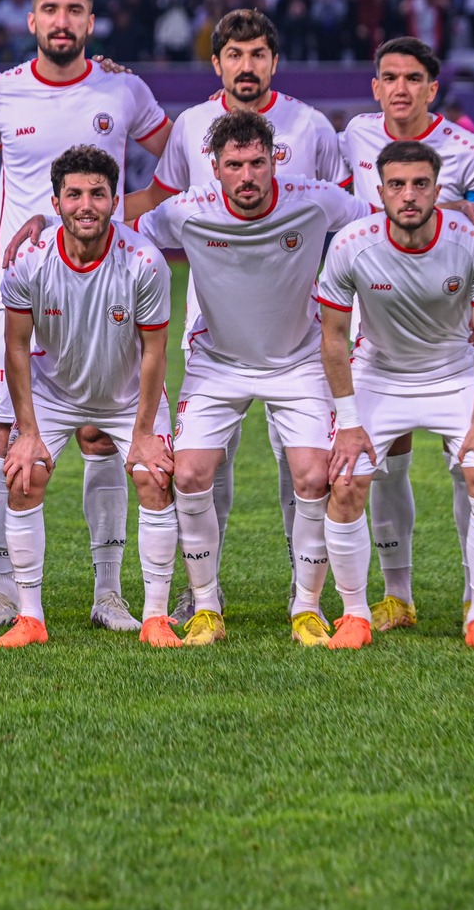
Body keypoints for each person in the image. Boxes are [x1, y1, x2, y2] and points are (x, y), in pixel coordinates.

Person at [0, 0, 172, 633]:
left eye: (74, 9)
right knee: (10, 440)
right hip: (20, 287)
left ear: (90, 21)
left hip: (106, 284)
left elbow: (181, 161)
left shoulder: (123, 88)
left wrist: (117, 212)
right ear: (31, 21)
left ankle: (108, 594)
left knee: (102, 438)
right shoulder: (1, 92)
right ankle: (5, 589)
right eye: (49, 9)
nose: (61, 20)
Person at [133, 110, 367, 645]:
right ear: (214, 168)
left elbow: (378, 220)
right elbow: (122, 230)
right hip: (218, 361)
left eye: (257, 163)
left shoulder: (316, 200)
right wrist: (48, 220)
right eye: (234, 165)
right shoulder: (187, 211)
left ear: (274, 162)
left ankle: (306, 607)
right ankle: (206, 606)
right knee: (190, 476)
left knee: (313, 477)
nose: (247, 176)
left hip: (299, 360)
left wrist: (458, 212)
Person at [315, 139, 474, 652]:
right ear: (380, 191)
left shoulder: (472, 243)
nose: (409, 195)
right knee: (345, 483)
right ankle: (355, 614)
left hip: (453, 372)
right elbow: (333, 338)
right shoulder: (350, 244)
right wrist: (349, 421)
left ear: (437, 189)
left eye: (420, 184)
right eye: (397, 185)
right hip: (379, 374)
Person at [340, 36, 474, 633]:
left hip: (446, 333)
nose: (401, 89)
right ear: (375, 86)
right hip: (374, 326)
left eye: (413, 78)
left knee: (471, 467)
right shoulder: (353, 137)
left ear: (432, 88)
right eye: (390, 77)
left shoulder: (471, 152)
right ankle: (396, 596)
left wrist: (473, 316)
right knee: (384, 462)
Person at [0, 147, 177, 648]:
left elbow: (154, 351)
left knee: (155, 477)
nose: (86, 205)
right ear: (55, 202)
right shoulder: (30, 261)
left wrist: (143, 434)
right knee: (24, 475)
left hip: (127, 397)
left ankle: (156, 618)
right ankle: (30, 618)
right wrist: (27, 431)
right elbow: (16, 347)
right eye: (74, 194)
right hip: (54, 393)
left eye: (98, 194)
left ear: (115, 201)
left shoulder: (144, 261)